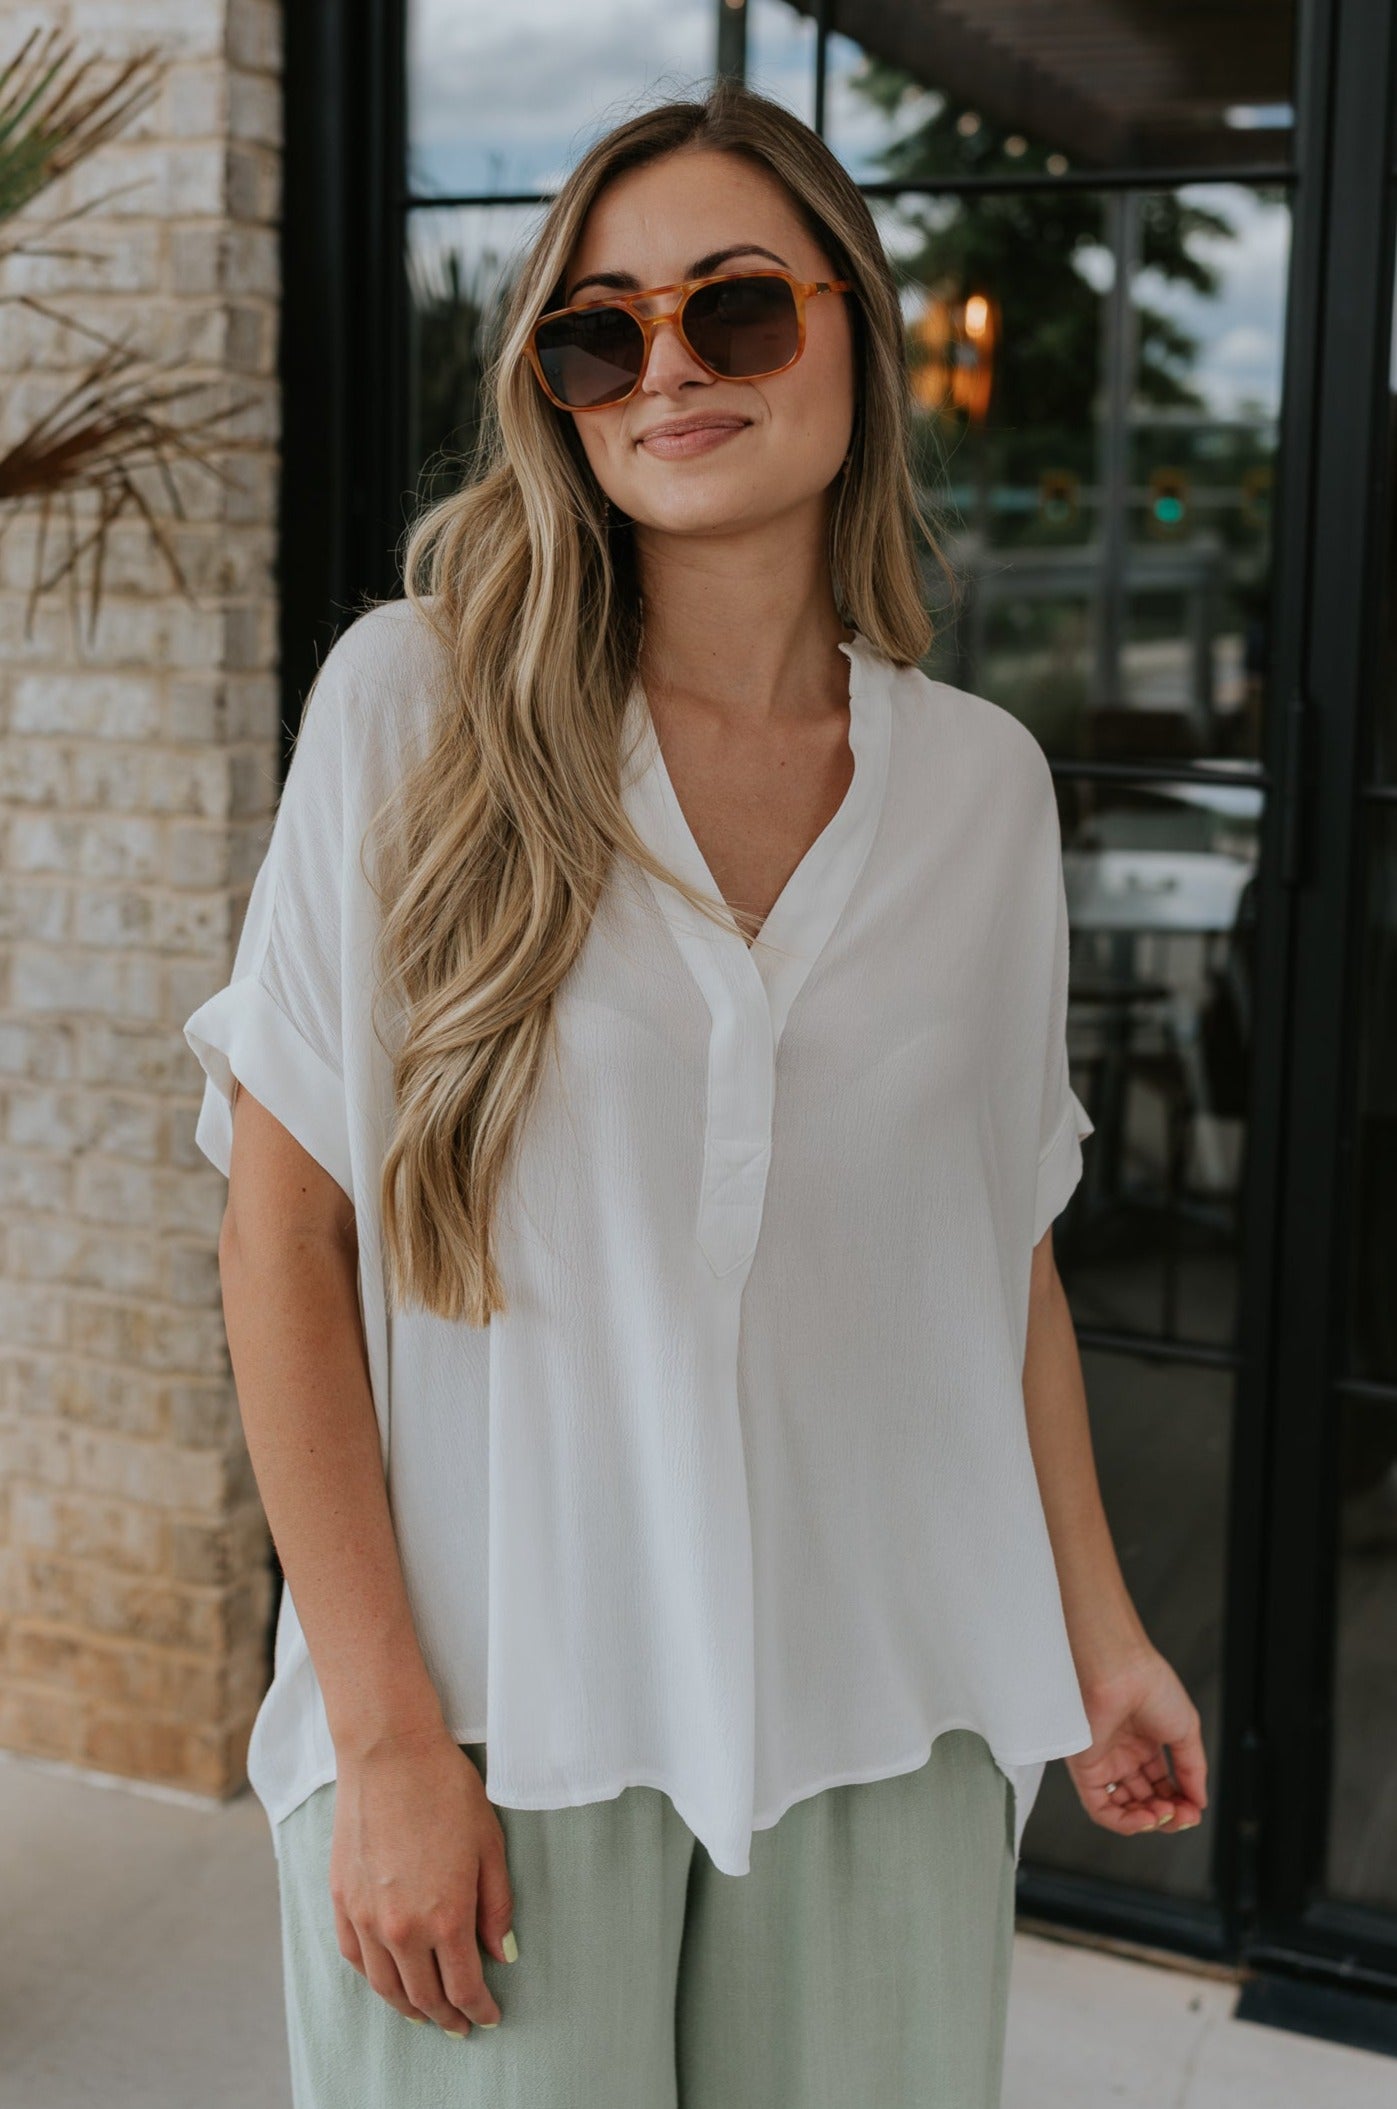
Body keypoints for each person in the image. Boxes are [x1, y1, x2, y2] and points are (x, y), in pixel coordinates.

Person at [183, 75, 1208, 2109]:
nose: (668, 367)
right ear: (554, 388)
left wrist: (1101, 1631)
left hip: (883, 1709)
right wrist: (388, 1735)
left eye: (734, 308)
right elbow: (282, 1235)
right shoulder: (410, 707)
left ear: (859, 329)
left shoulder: (984, 793)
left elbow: (990, 1261)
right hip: (494, 1704)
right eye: (601, 329)